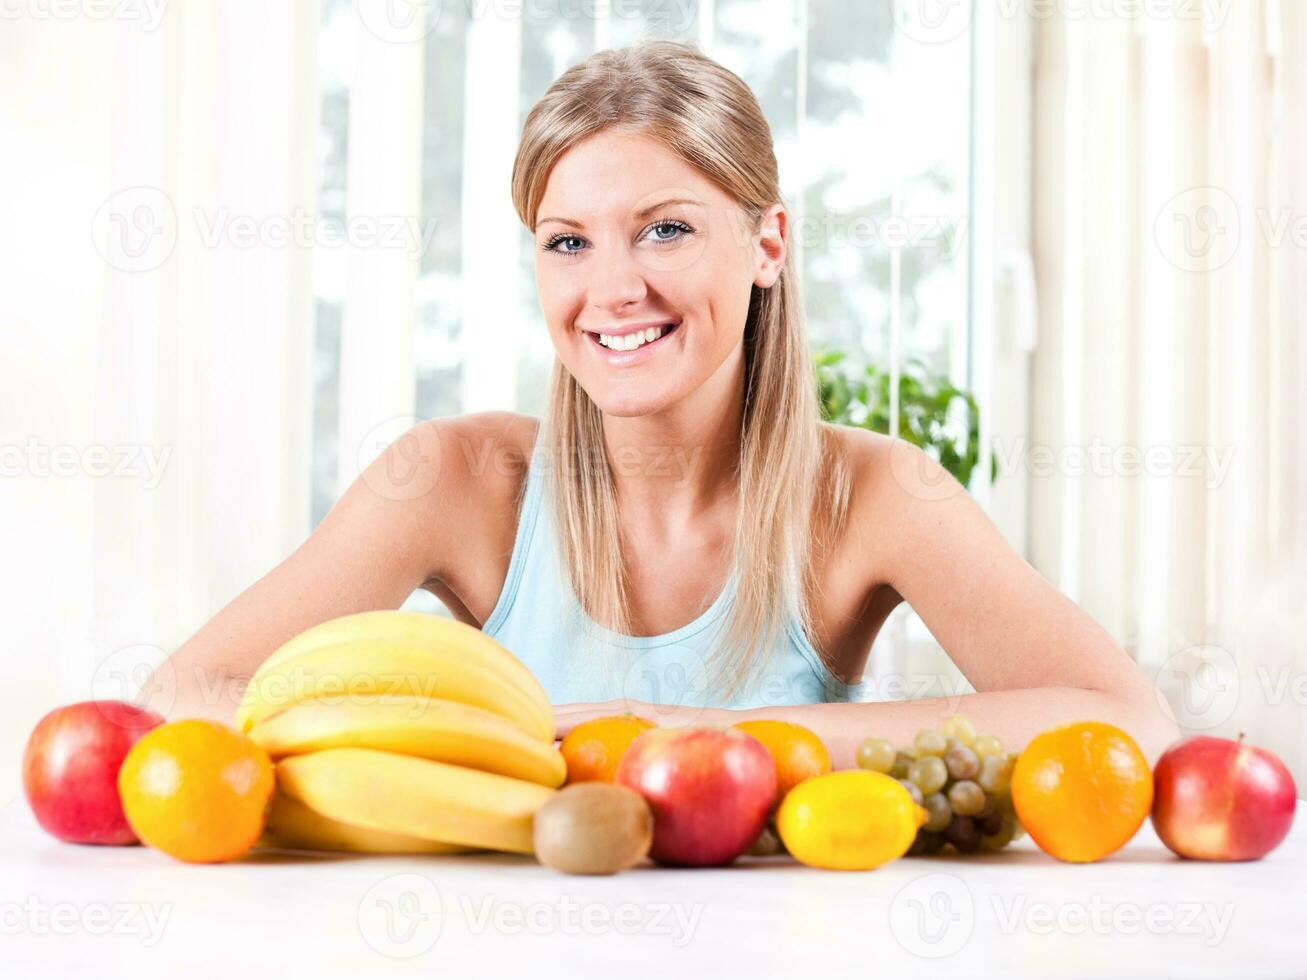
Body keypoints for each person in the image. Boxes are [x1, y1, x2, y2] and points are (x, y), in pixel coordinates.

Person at [140, 40, 1177, 767]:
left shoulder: (867, 493)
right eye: (568, 242)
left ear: (766, 243)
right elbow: (181, 697)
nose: (614, 288)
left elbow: (1127, 721)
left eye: (666, 229)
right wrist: (471, 733)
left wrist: (676, 726)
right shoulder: (455, 481)